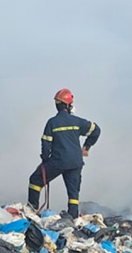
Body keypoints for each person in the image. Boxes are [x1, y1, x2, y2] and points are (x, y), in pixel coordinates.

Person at [27, 88, 101, 219]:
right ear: (68, 105)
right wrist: (86, 147)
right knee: (73, 193)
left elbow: (46, 144)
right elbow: (96, 130)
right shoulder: (77, 122)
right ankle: (73, 217)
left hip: (58, 161)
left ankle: (32, 210)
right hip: (76, 162)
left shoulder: (52, 122)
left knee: (35, 180)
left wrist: (45, 160)